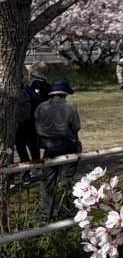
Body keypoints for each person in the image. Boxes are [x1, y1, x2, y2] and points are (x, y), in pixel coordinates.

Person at [34, 75, 82, 223]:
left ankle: (45, 214)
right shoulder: (70, 107)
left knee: (47, 181)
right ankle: (64, 212)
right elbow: (76, 127)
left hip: (49, 149)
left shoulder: (41, 107)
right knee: (65, 181)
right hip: (68, 147)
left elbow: (37, 126)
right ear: (65, 92)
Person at [14, 62, 50, 164]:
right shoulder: (49, 87)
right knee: (34, 145)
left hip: (30, 120)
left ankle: (28, 167)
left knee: (23, 144)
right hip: (45, 119)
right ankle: (36, 164)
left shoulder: (32, 87)